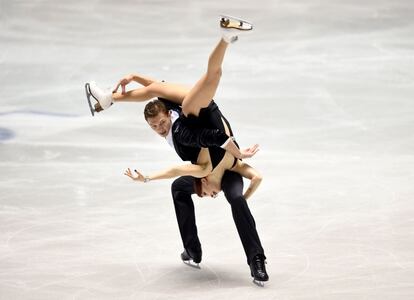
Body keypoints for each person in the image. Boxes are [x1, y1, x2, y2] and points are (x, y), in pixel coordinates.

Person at [85, 15, 269, 285]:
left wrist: (146, 177)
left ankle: (257, 260)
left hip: (197, 114)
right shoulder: (220, 168)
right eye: (155, 126)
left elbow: (198, 149)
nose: (209, 195)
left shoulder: (196, 158)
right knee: (185, 83)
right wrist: (237, 156)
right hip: (202, 114)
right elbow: (247, 169)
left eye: (161, 123)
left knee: (170, 86)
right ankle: (193, 251)